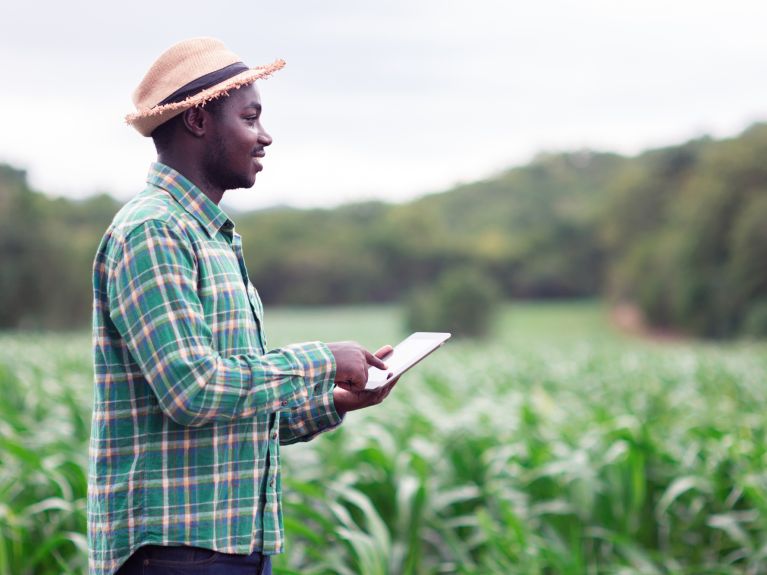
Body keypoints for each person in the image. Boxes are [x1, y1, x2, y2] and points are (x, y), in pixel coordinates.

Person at [88, 37, 399, 575]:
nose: (265, 136)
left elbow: (235, 413)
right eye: (250, 118)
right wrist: (323, 358)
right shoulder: (154, 231)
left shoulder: (212, 237)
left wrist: (336, 401)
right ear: (199, 122)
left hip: (227, 546)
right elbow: (194, 390)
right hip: (173, 552)